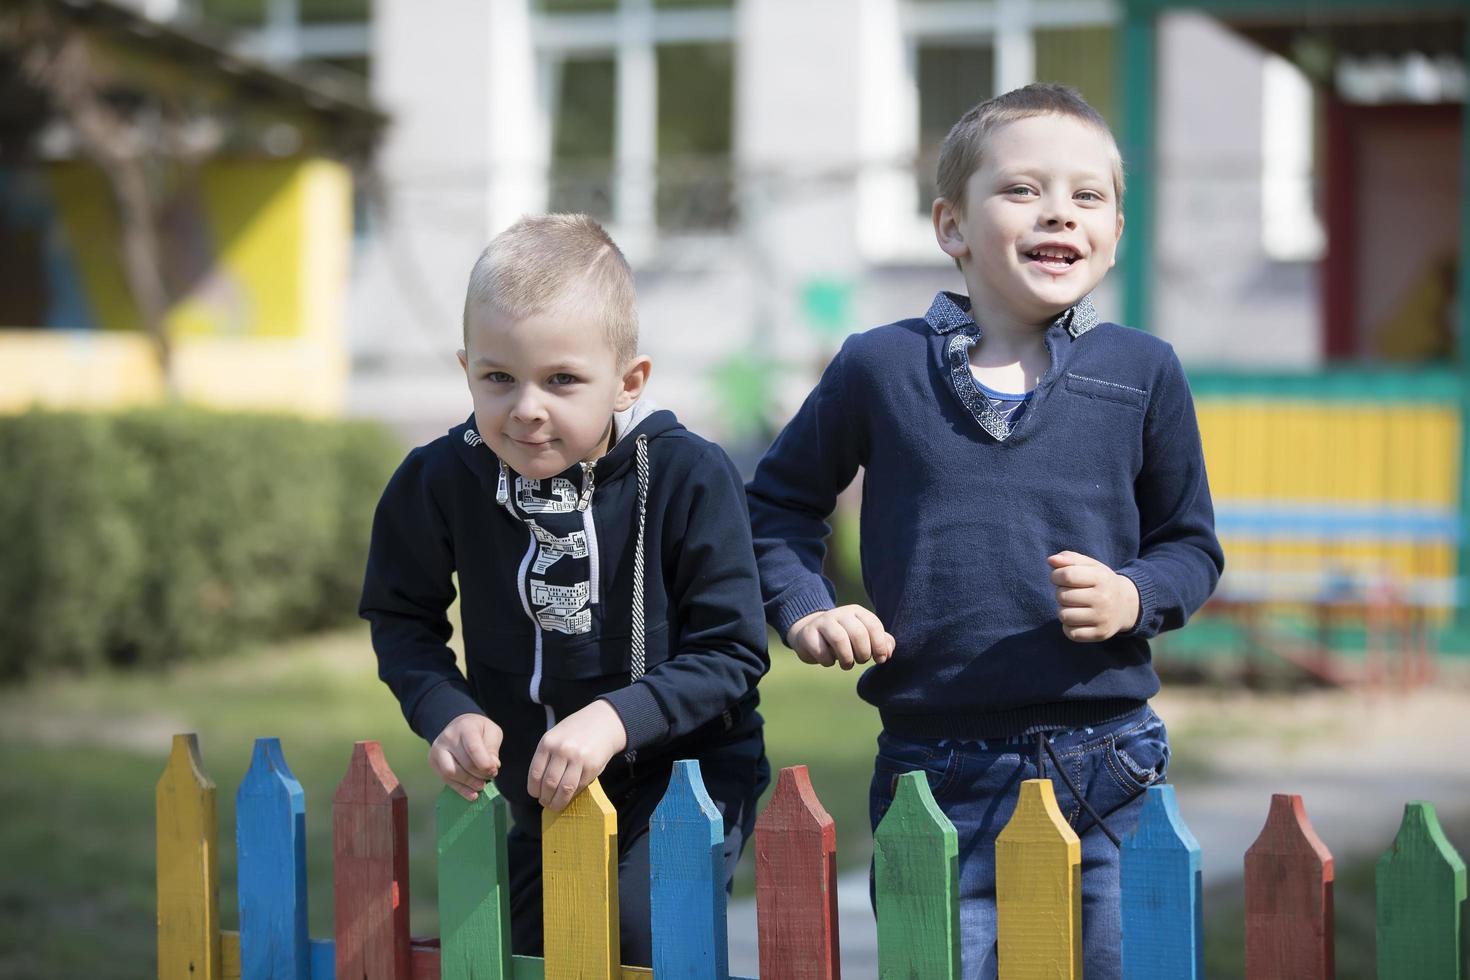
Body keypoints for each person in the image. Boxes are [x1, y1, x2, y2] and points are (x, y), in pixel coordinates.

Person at [746, 83, 1224, 980]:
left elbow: (1190, 547)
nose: (1059, 213)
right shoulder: (878, 367)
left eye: (1088, 197)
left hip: (1110, 761)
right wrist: (809, 608)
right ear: (951, 226)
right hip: (936, 769)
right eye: (1023, 190)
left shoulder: (1143, 371)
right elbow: (775, 507)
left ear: (1116, 230)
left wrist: (1133, 594)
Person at [360, 213, 769, 966]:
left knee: (641, 939)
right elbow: (399, 614)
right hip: (537, 791)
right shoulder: (442, 478)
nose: (526, 408)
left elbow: (733, 651)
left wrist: (615, 719)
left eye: (562, 380)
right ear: (466, 370)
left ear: (628, 382)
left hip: (684, 781)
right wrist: (444, 709)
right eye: (498, 378)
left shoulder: (687, 476)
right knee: (516, 952)